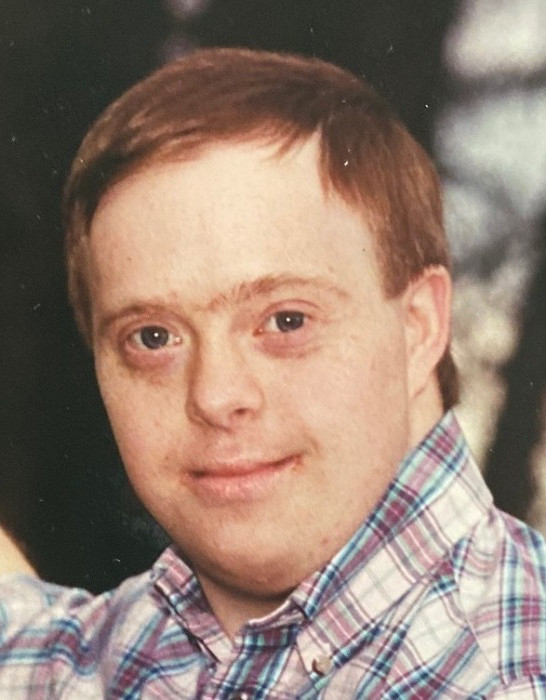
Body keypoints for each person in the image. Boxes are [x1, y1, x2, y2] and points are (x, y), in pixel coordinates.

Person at [0, 47, 545, 699]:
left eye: (286, 321)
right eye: (153, 337)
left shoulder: (502, 677)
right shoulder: (135, 649)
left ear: (419, 326)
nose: (216, 394)